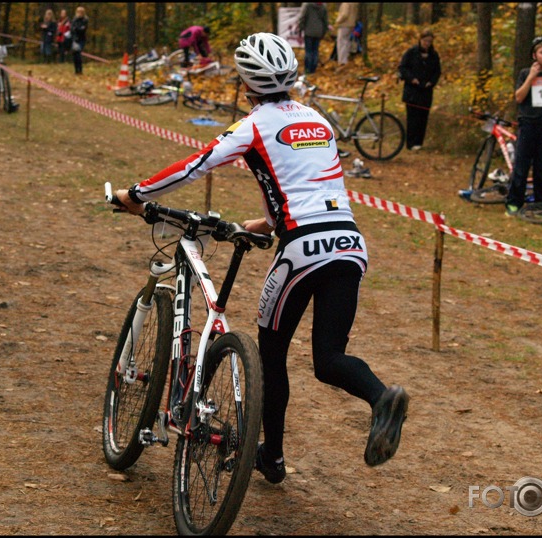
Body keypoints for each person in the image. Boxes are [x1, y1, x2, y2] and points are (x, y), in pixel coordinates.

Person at [113, 32, 409, 484]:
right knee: (328, 357)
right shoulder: (318, 119)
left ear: (245, 81)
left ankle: (271, 455)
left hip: (302, 250)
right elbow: (309, 179)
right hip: (349, 244)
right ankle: (381, 396)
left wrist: (134, 194)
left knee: (269, 356)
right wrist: (269, 223)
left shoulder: (254, 123)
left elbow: (199, 164)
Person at [504, 36, 542, 217]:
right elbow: (519, 97)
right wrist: (531, 77)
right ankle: (514, 201)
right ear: (534, 55)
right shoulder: (525, 73)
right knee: (522, 165)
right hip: (528, 123)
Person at [397, 29, 441, 151]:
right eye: (425, 41)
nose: (427, 43)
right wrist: (412, 79)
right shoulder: (411, 53)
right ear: (420, 40)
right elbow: (402, 68)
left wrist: (431, 82)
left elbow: (437, 71)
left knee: (423, 117)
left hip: (426, 90)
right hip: (412, 90)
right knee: (412, 117)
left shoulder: (434, 55)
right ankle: (410, 143)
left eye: (430, 41)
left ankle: (419, 142)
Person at [298, 2, 328, 75]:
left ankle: (307, 70)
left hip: (309, 31)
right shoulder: (323, 6)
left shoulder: (306, 5)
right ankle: (313, 70)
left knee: (308, 51)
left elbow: (302, 17)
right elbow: (325, 21)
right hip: (318, 31)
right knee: (315, 51)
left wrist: (300, 29)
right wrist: (323, 32)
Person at [334, 3, 357, 67]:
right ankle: (345, 58)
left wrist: (337, 20)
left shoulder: (346, 4)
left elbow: (344, 14)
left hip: (344, 24)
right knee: (346, 42)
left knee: (341, 42)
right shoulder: (353, 4)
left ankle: (342, 60)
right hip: (351, 24)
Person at [71, 6, 88, 75]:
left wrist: (76, 28)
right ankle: (76, 70)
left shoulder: (85, 20)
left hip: (81, 39)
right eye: (78, 12)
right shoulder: (74, 19)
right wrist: (76, 29)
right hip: (75, 39)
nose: (79, 13)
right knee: (74, 54)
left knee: (78, 54)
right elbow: (72, 28)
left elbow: (82, 30)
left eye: (81, 12)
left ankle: (80, 70)